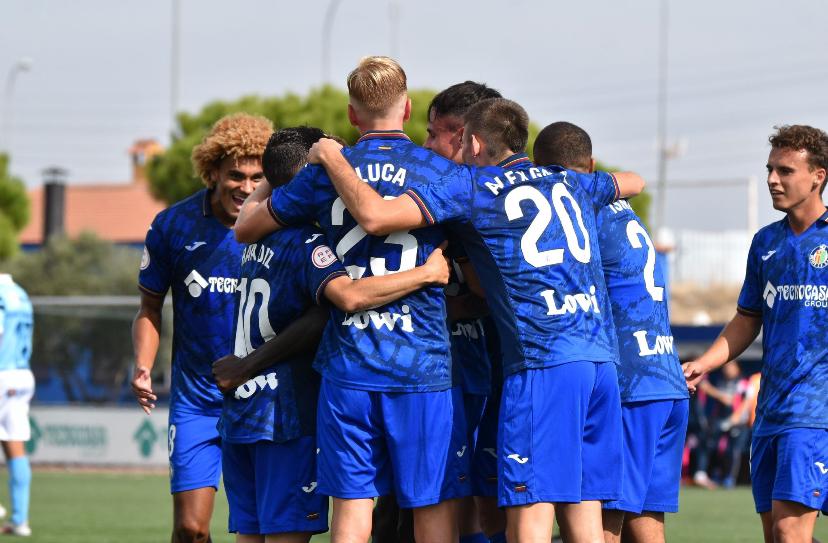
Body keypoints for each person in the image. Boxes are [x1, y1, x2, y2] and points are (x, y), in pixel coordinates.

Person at [303, 97, 645, 543]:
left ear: (475, 141)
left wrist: (331, 155)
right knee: (584, 516)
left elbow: (375, 216)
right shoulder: (571, 181)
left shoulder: (475, 188)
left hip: (544, 364)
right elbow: (634, 181)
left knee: (531, 518)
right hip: (600, 363)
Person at [234, 57, 469, 543]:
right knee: (431, 505)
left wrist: (289, 169)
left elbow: (245, 228)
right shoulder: (441, 170)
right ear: (407, 109)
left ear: (352, 114)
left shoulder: (323, 174)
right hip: (420, 364)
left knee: (353, 507)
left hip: (348, 365)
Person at [533, 121, 689, 543]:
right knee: (646, 525)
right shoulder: (624, 209)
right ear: (593, 166)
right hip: (667, 379)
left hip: (628, 383)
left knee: (601, 526)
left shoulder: (578, 211)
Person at [371, 81, 505, 543]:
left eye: (434, 134)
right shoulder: (446, 193)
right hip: (429, 371)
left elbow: (488, 294)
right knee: (408, 504)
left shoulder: (474, 197)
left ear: (467, 135)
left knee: (459, 503)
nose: (425, 145)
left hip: (466, 372)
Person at [684, 124, 828, 543]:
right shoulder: (766, 242)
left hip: (815, 412)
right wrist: (704, 364)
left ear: (818, 175)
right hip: (769, 414)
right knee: (777, 536)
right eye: (770, 169)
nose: (772, 179)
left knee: (789, 532)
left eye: (785, 170)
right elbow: (747, 319)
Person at [132, 113, 272, 543]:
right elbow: (149, 309)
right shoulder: (173, 226)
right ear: (211, 172)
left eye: (257, 177)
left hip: (264, 399)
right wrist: (142, 366)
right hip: (197, 402)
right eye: (235, 175)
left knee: (263, 529)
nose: (246, 187)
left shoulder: (281, 226)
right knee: (191, 529)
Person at [0, 273, 34, 537]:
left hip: (2, 372)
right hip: (22, 375)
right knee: (15, 447)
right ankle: (20, 521)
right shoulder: (21, 294)